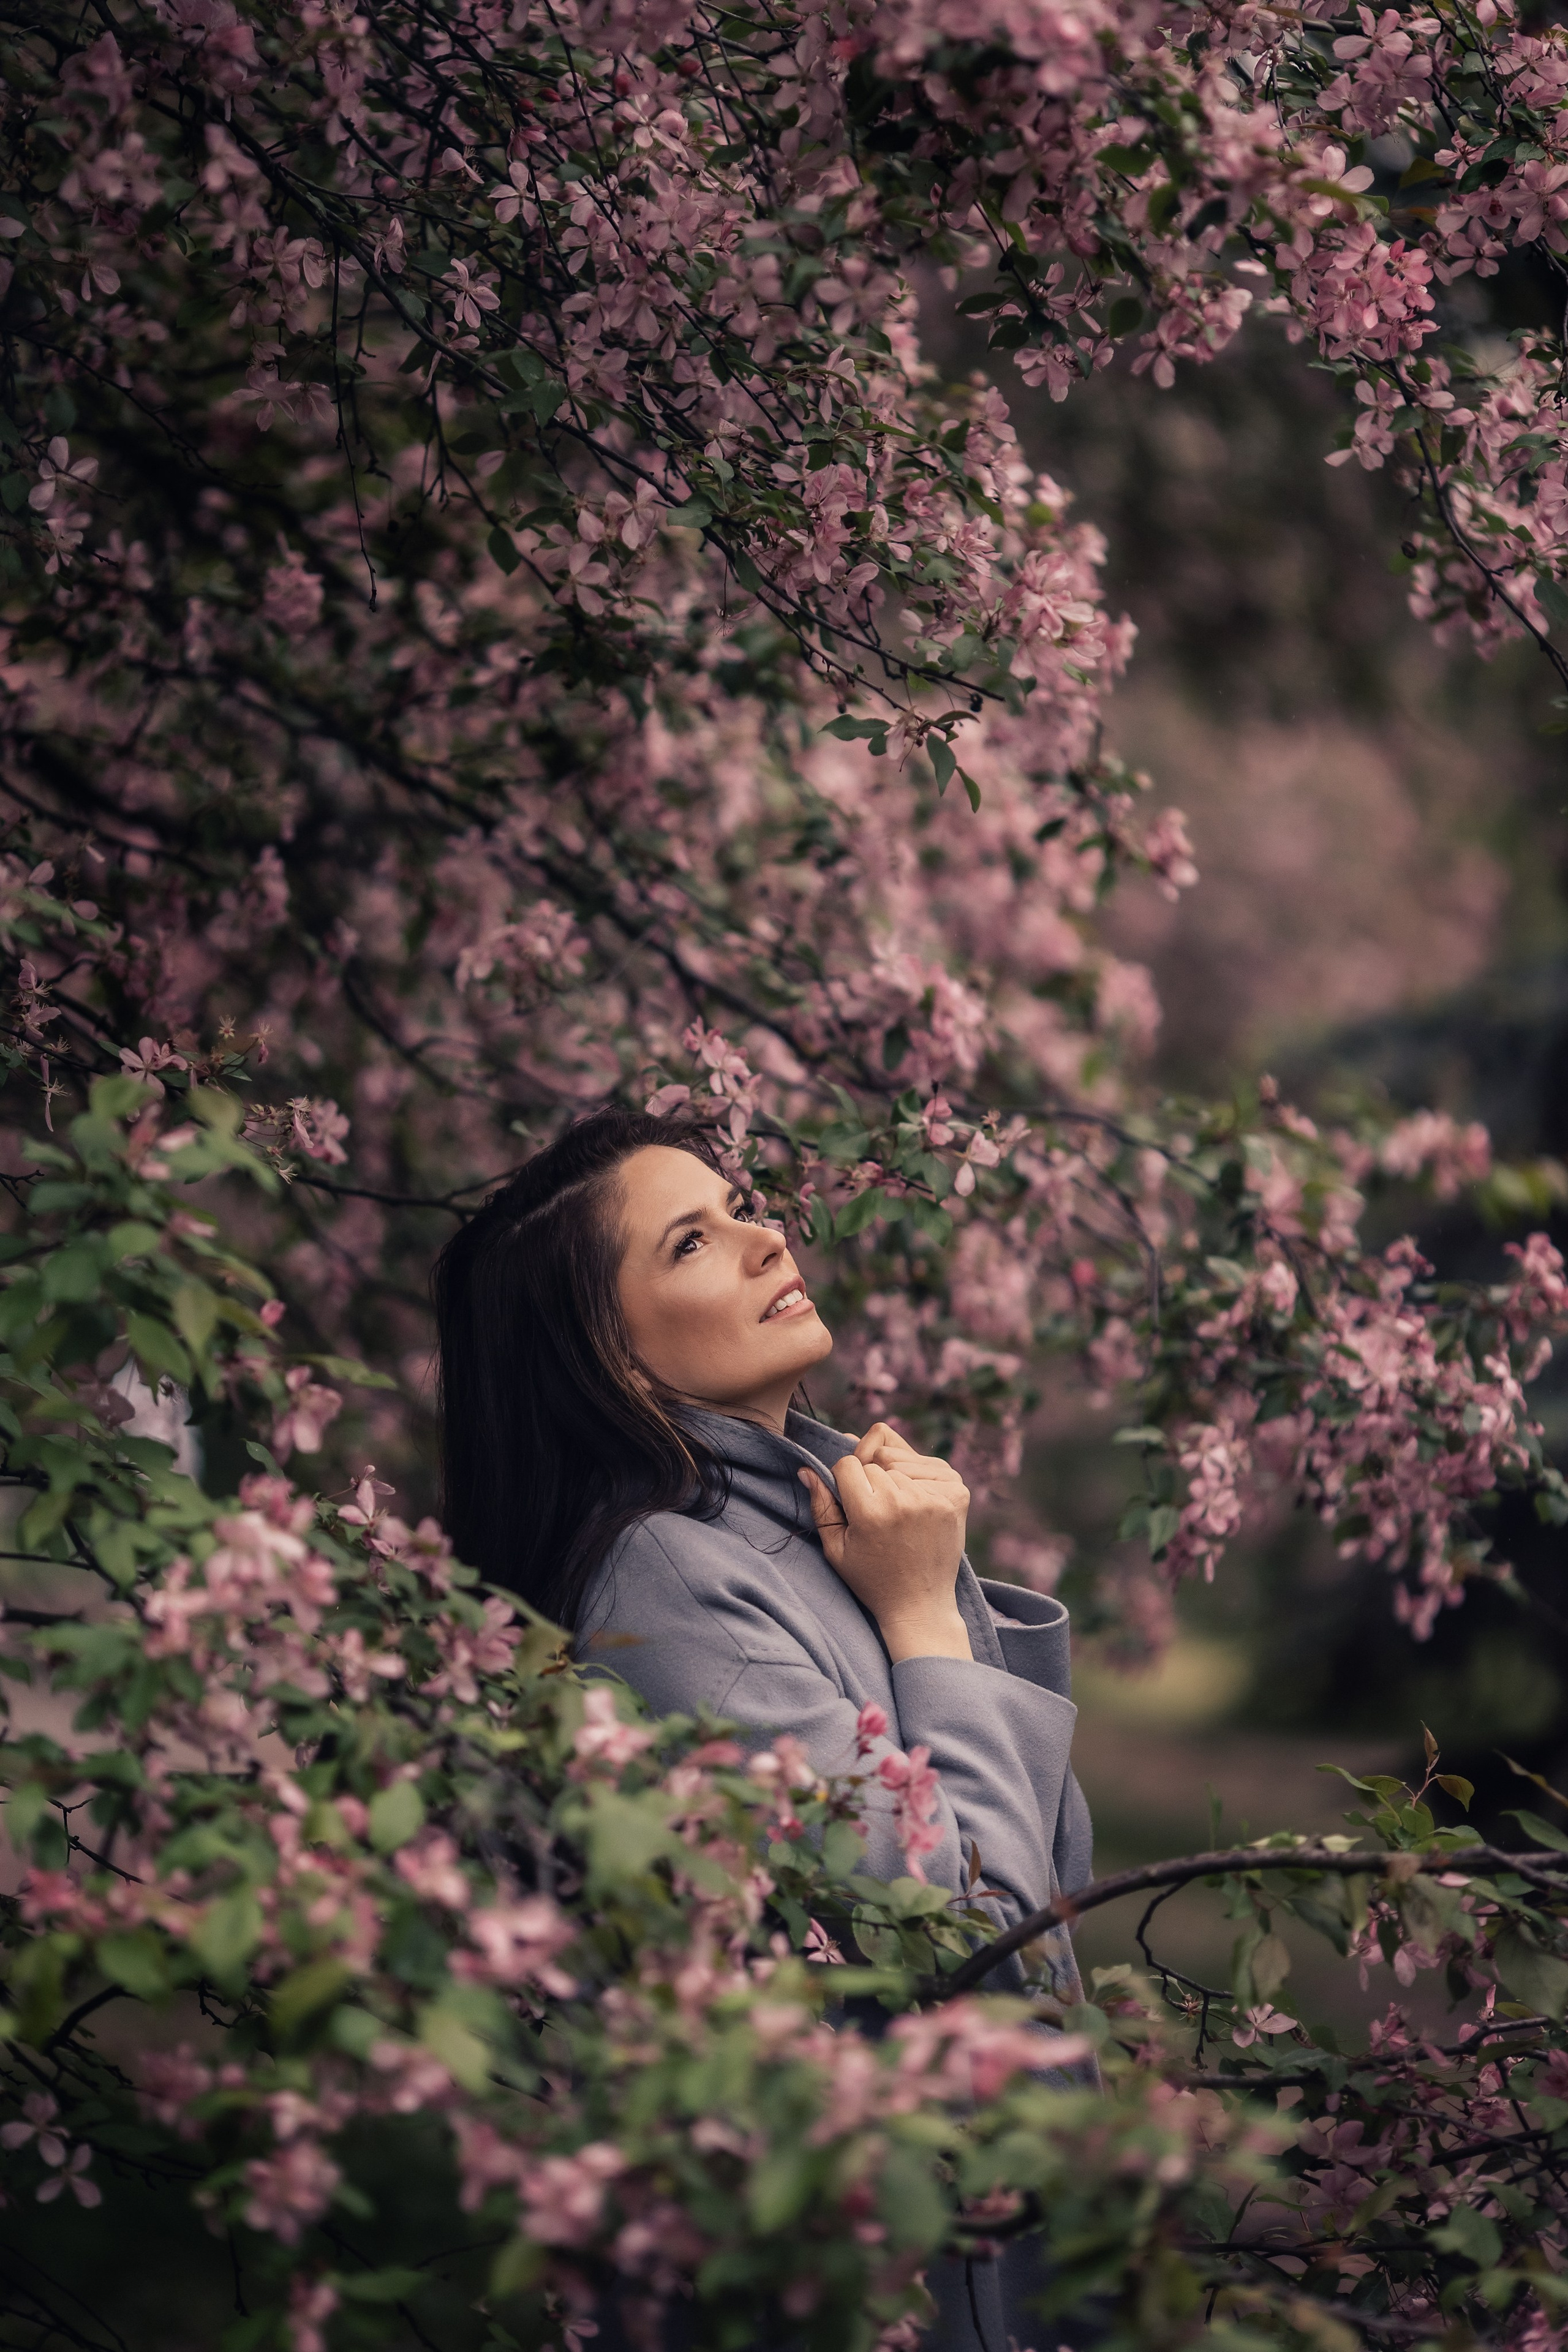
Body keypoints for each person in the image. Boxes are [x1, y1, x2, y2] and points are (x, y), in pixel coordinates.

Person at [433, 1107, 1095, 2351]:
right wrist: (923, 1617)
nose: (761, 1235)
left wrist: (927, 1587)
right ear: (609, 1363)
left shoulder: (813, 1528)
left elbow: (1051, 1898)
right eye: (692, 1240)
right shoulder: (669, 1588)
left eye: (741, 1206)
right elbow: (968, 1946)